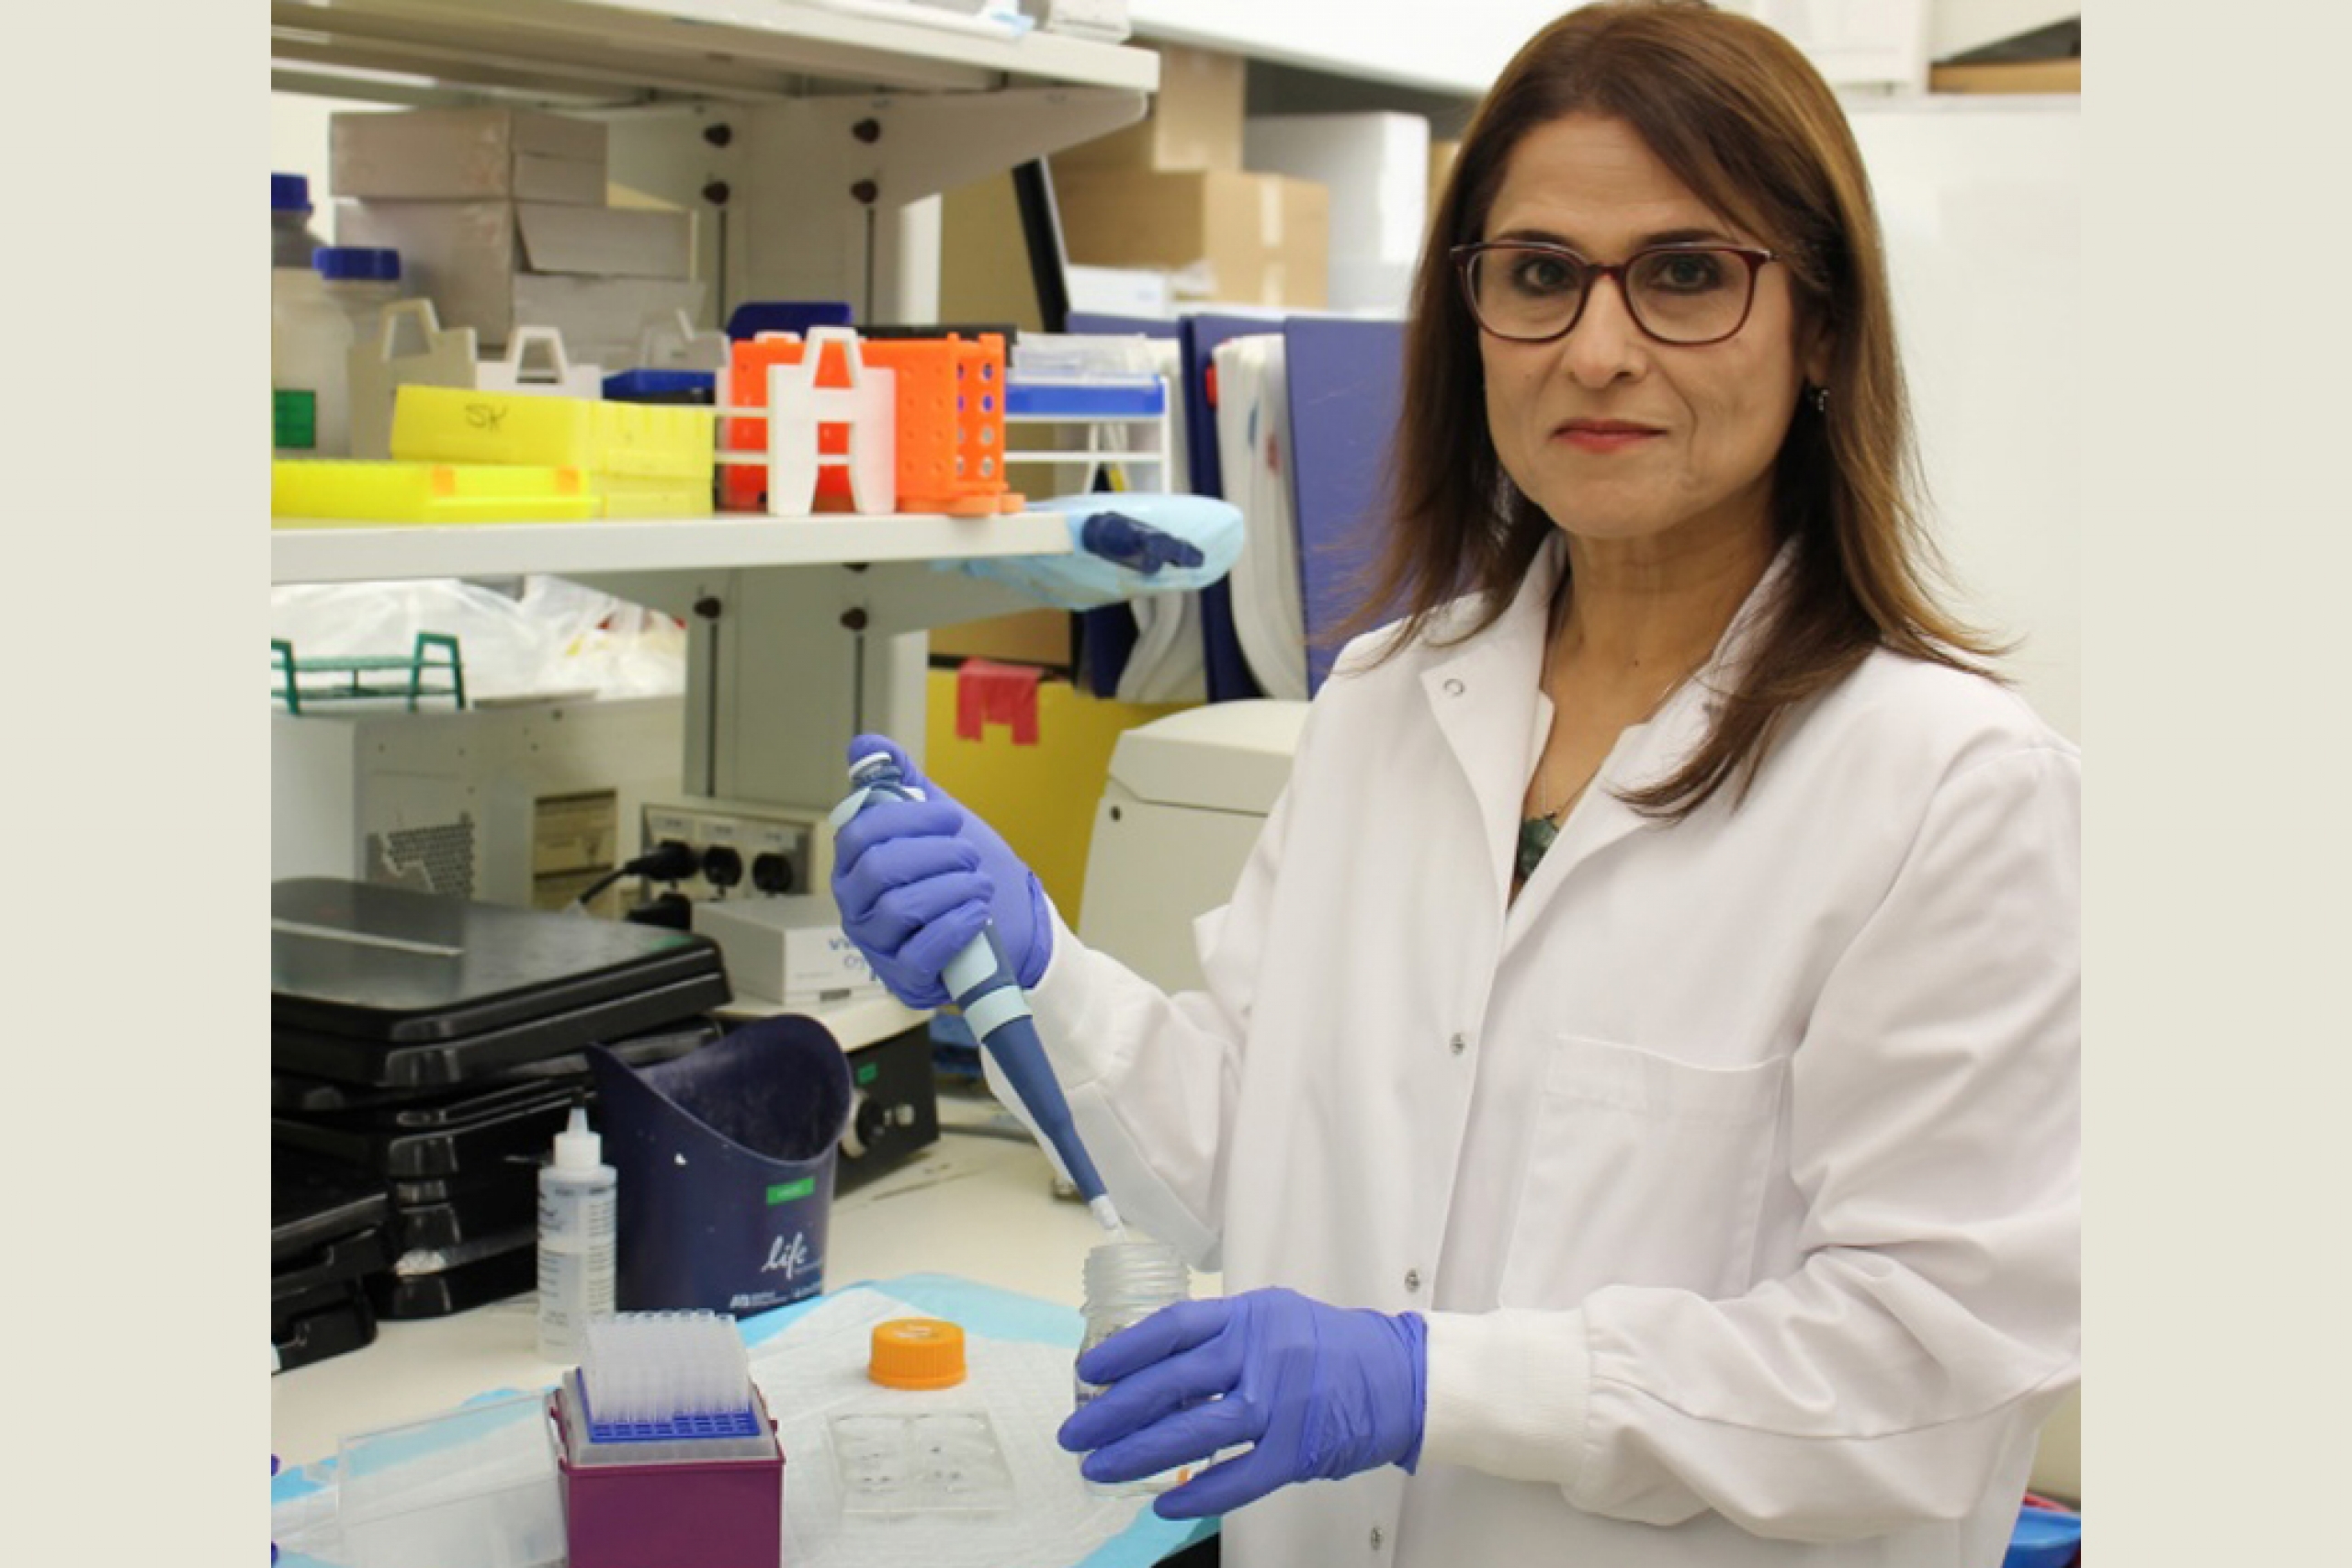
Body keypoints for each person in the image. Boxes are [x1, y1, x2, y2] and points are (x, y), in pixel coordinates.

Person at [830, 2, 2080, 1563]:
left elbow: (1925, 1379)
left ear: (1820, 326)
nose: (1598, 348)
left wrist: (1435, 1386)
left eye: (1688, 273)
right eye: (1540, 275)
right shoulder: (1384, 702)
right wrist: (1030, 970)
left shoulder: (1952, 789)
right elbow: (1242, 1151)